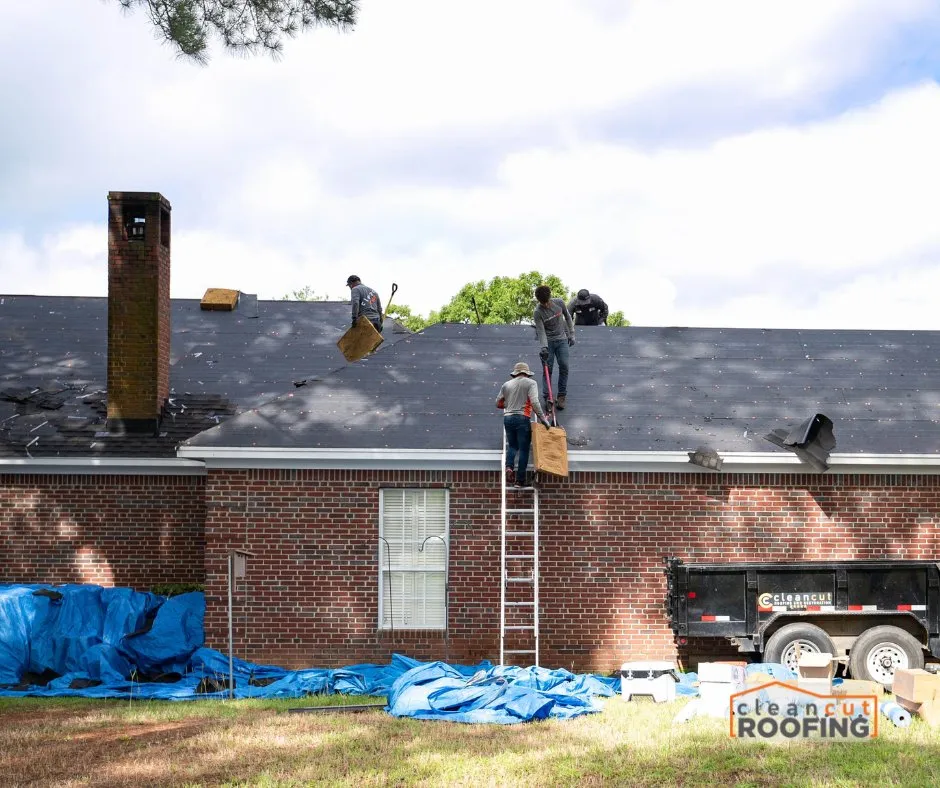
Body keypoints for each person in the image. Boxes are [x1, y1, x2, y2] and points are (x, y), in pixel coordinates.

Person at [496, 362, 551, 487]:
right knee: (524, 449)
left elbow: (498, 403)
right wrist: (543, 419)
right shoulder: (531, 383)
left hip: (508, 418)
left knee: (513, 446)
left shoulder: (506, 384)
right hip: (522, 418)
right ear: (527, 373)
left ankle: (509, 467)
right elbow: (535, 402)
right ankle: (520, 480)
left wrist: (509, 404)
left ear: (515, 374)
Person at [533, 284, 574, 411]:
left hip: (561, 339)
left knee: (564, 366)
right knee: (547, 369)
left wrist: (571, 334)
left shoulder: (559, 303)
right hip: (549, 342)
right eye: (542, 303)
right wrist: (544, 347)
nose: (545, 305)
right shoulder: (538, 312)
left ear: (550, 298)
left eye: (547, 302)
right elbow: (540, 331)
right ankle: (548, 398)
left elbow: (568, 317)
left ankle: (561, 396)